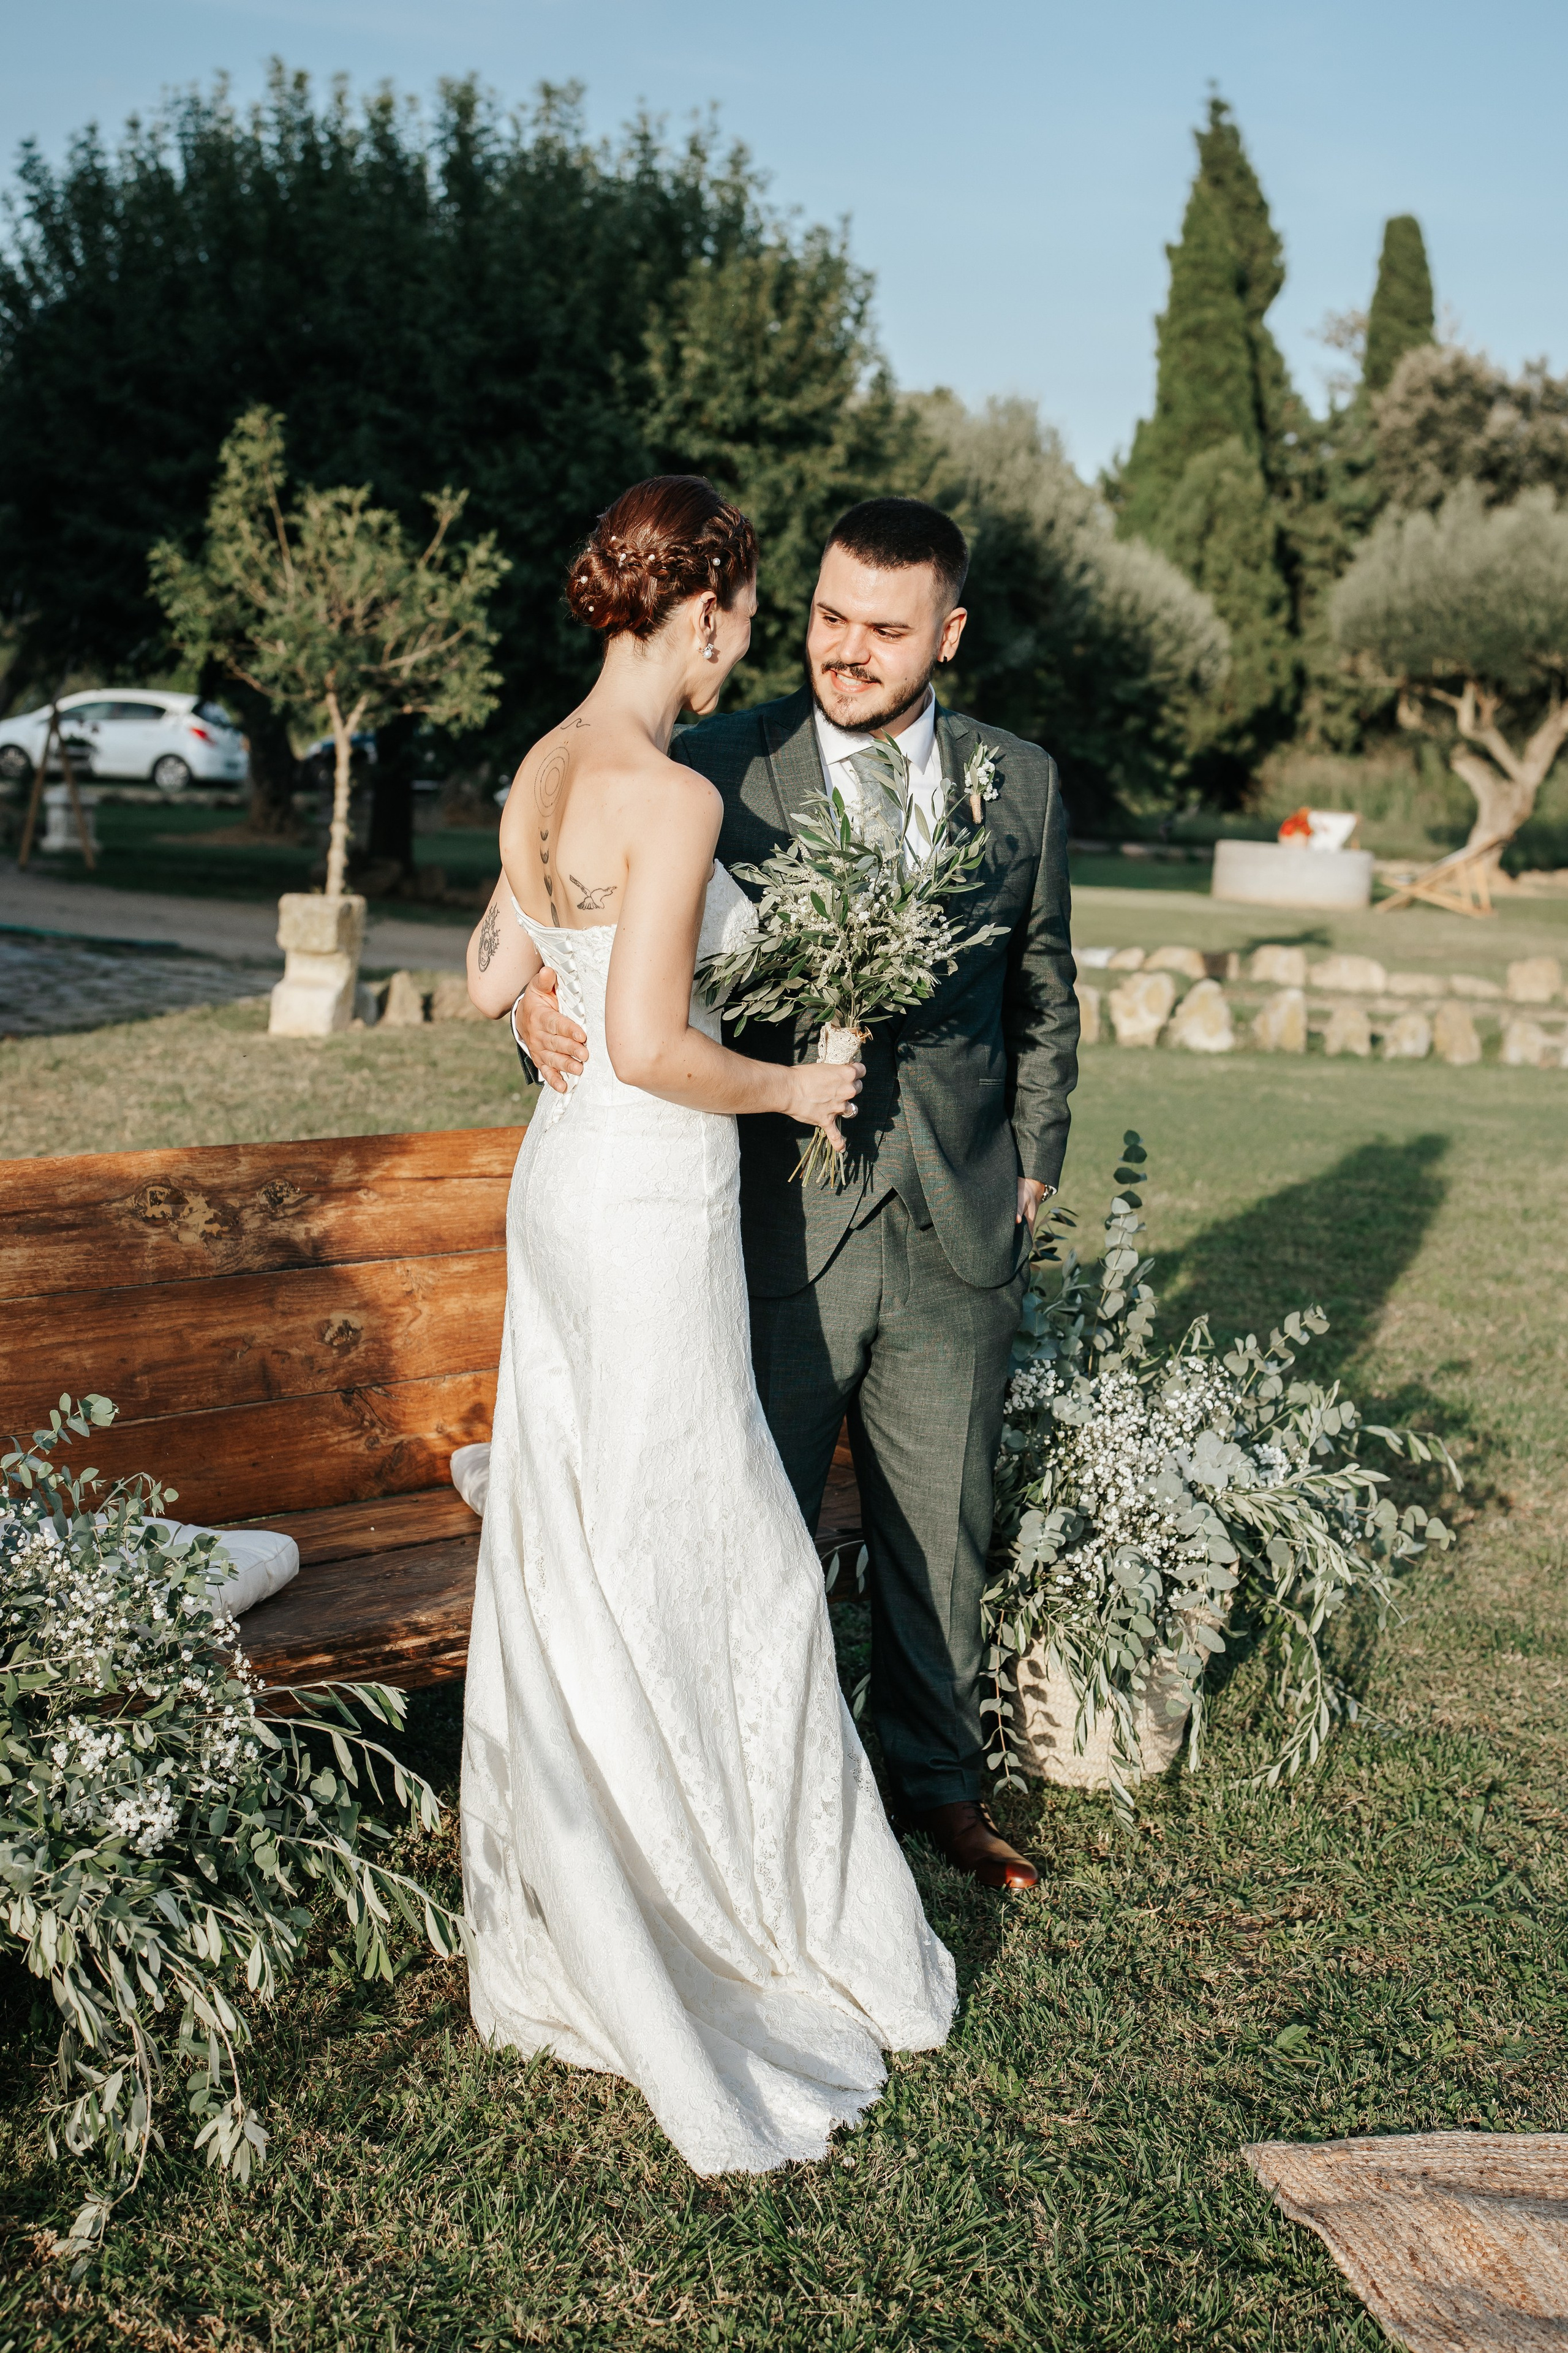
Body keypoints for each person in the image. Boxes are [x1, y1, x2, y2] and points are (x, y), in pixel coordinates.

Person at [459, 475, 957, 2178]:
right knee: (718, 1555)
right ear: (713, 610)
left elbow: (480, 973)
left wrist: (542, 983)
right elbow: (665, 1047)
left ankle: (638, 1873)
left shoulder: (545, 763)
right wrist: (801, 1083)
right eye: (752, 610)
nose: (759, 636)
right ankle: (715, 1909)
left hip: (561, 1190)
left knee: (603, 1537)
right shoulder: (666, 797)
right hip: (650, 1197)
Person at [517, 496, 1080, 1893]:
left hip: (955, 1224)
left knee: (937, 1534)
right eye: (826, 617)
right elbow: (577, 921)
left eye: (882, 630)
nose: (843, 650)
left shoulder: (1020, 783)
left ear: (945, 633)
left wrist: (1035, 1166)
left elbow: (1045, 996)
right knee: (743, 1537)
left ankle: (937, 1788)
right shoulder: (712, 758)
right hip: (764, 1230)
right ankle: (746, 1806)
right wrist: (529, 1001)